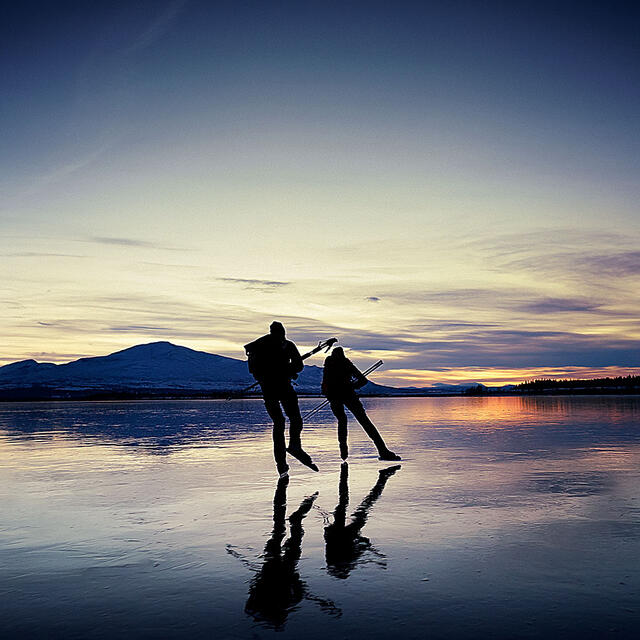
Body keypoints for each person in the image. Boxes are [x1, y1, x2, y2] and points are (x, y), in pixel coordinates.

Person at [245, 322, 318, 476]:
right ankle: (294, 447)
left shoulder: (258, 345)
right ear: (282, 332)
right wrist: (288, 370)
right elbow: (299, 366)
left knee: (279, 423)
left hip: (268, 390)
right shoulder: (287, 345)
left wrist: (271, 375)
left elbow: (253, 369)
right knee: (295, 419)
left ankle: (281, 463)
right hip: (284, 388)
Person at [321, 347, 401, 461]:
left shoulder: (328, 365)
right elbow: (363, 381)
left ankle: (343, 448)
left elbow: (324, 385)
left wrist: (330, 393)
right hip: (348, 395)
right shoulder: (346, 364)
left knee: (342, 421)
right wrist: (352, 386)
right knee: (365, 422)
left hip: (335, 396)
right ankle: (383, 450)